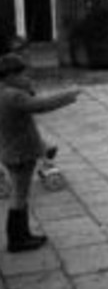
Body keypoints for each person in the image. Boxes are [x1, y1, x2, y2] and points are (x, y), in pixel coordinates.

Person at [0, 53, 80, 253]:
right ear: (9, 75)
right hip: (21, 152)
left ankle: (22, 235)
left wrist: (26, 87)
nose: (26, 77)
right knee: (19, 196)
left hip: (9, 150)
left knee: (20, 195)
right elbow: (42, 106)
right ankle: (18, 240)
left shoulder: (6, 91)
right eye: (21, 74)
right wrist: (70, 94)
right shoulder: (12, 95)